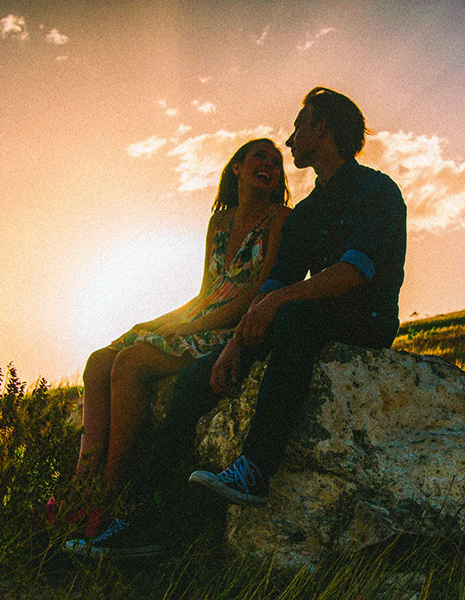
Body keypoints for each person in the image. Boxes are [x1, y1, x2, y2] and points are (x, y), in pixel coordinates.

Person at [61, 138, 291, 556]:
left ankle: (108, 499)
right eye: (260, 156)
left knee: (131, 362)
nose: (270, 164)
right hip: (202, 316)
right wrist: (163, 322)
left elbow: (256, 291)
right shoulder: (219, 223)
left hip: (232, 327)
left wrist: (196, 325)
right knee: (99, 362)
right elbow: (206, 290)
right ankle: (82, 489)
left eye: (276, 162)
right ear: (236, 168)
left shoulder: (280, 218)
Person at [185, 87, 406, 506]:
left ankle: (254, 472)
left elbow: (355, 270)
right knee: (196, 374)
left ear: (320, 128)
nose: (288, 142)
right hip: (311, 316)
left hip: (367, 320)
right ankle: (155, 518)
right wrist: (236, 340)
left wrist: (275, 303)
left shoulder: (376, 191)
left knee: (292, 318)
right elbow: (277, 279)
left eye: (296, 128)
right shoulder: (306, 212)